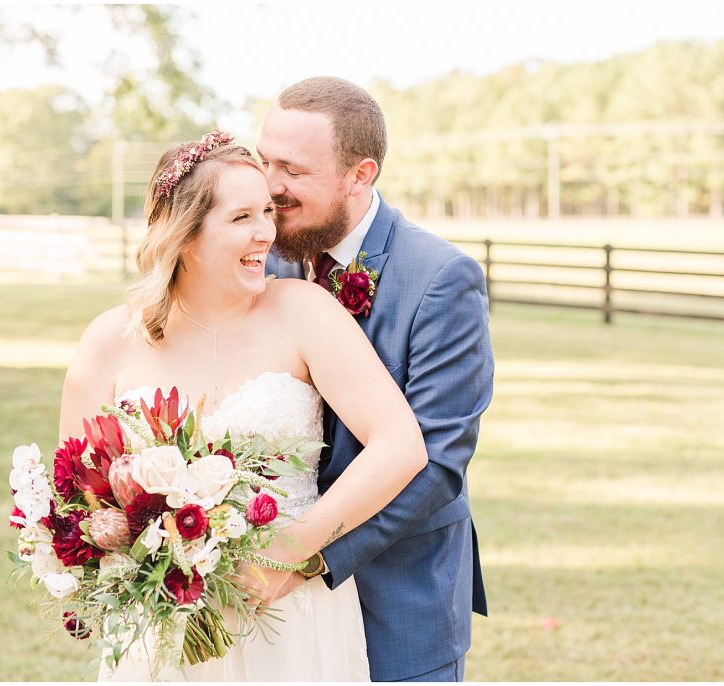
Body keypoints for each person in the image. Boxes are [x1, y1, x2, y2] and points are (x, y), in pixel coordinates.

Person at [60, 131, 428, 680]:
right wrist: (148, 557)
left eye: (267, 212)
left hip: (292, 615)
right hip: (164, 625)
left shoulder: (305, 311)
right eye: (241, 218)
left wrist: (290, 549)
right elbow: (77, 498)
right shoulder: (108, 341)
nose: (267, 233)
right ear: (185, 235)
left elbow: (400, 445)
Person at [260, 76, 494, 682]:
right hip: (272, 612)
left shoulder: (441, 278)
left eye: (292, 168)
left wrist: (307, 557)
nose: (270, 185)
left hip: (397, 595)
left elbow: (438, 464)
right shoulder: (262, 261)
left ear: (359, 175)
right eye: (265, 161)